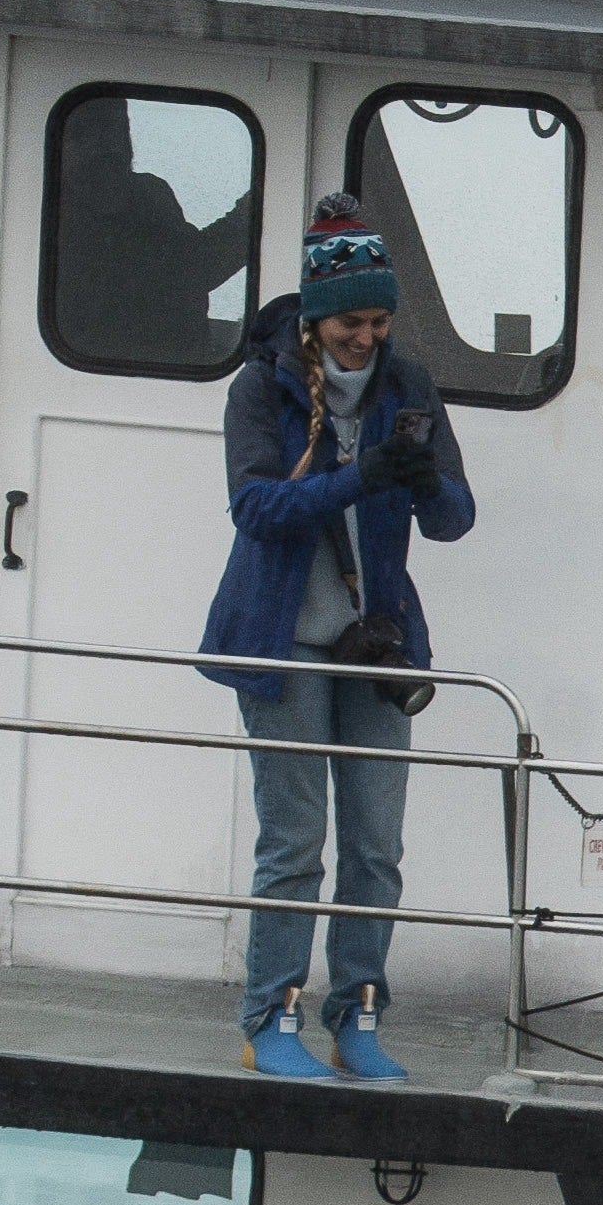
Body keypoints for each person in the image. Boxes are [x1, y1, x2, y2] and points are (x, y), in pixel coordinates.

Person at [204, 199, 479, 1087]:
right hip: (283, 639)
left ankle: (357, 1015)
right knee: (295, 844)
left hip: (377, 645)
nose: (369, 337)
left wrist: (426, 476)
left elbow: (453, 523)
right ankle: (268, 1019)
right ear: (318, 316)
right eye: (353, 322)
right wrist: (357, 476)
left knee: (375, 845)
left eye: (380, 321)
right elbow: (255, 509)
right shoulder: (260, 385)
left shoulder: (410, 386)